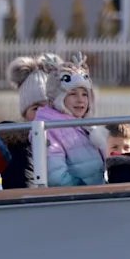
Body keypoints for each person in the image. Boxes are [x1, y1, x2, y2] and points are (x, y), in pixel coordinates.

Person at [34, 52, 106, 186]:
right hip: (75, 199)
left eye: (85, 94)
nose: (80, 100)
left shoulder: (86, 126)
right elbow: (55, 176)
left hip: (95, 194)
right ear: (58, 98)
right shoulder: (50, 128)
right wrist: (82, 189)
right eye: (72, 94)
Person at [0, 54, 52, 189]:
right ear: (25, 115)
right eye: (36, 108)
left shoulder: (74, 139)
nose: (43, 113)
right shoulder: (16, 148)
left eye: (49, 107)